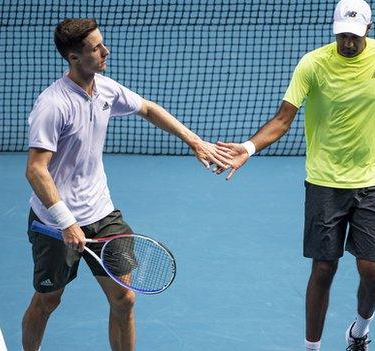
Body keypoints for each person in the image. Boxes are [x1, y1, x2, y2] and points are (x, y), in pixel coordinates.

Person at [215, 0, 375, 350]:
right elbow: (282, 119)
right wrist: (247, 149)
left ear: (368, 29)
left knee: (373, 274)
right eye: (342, 34)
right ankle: (312, 347)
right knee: (323, 269)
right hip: (325, 182)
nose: (347, 42)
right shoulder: (313, 63)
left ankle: (359, 330)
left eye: (354, 35)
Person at [21, 18, 230, 351]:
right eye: (95, 48)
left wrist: (194, 141)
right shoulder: (53, 105)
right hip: (56, 223)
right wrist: (66, 221)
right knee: (48, 301)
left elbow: (147, 108)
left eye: (102, 43)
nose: (106, 51)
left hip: (103, 216)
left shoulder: (104, 87)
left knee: (124, 298)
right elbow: (35, 170)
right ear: (74, 57)